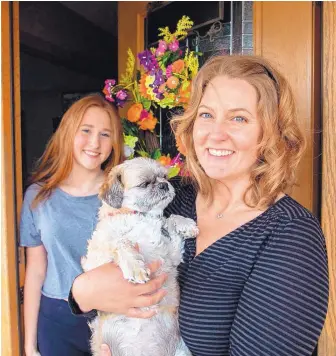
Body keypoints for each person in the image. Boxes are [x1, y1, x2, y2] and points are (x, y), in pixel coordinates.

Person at [69, 56, 329, 356]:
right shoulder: (170, 197)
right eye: (206, 115)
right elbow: (106, 270)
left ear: (270, 132)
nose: (215, 134)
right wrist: (82, 293)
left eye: (239, 118)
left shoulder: (290, 235)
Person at [20, 94, 127, 356]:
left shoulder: (123, 194)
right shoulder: (38, 196)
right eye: (86, 131)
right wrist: (29, 345)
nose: (95, 143)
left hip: (113, 316)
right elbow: (35, 271)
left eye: (105, 134)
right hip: (56, 320)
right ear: (68, 133)